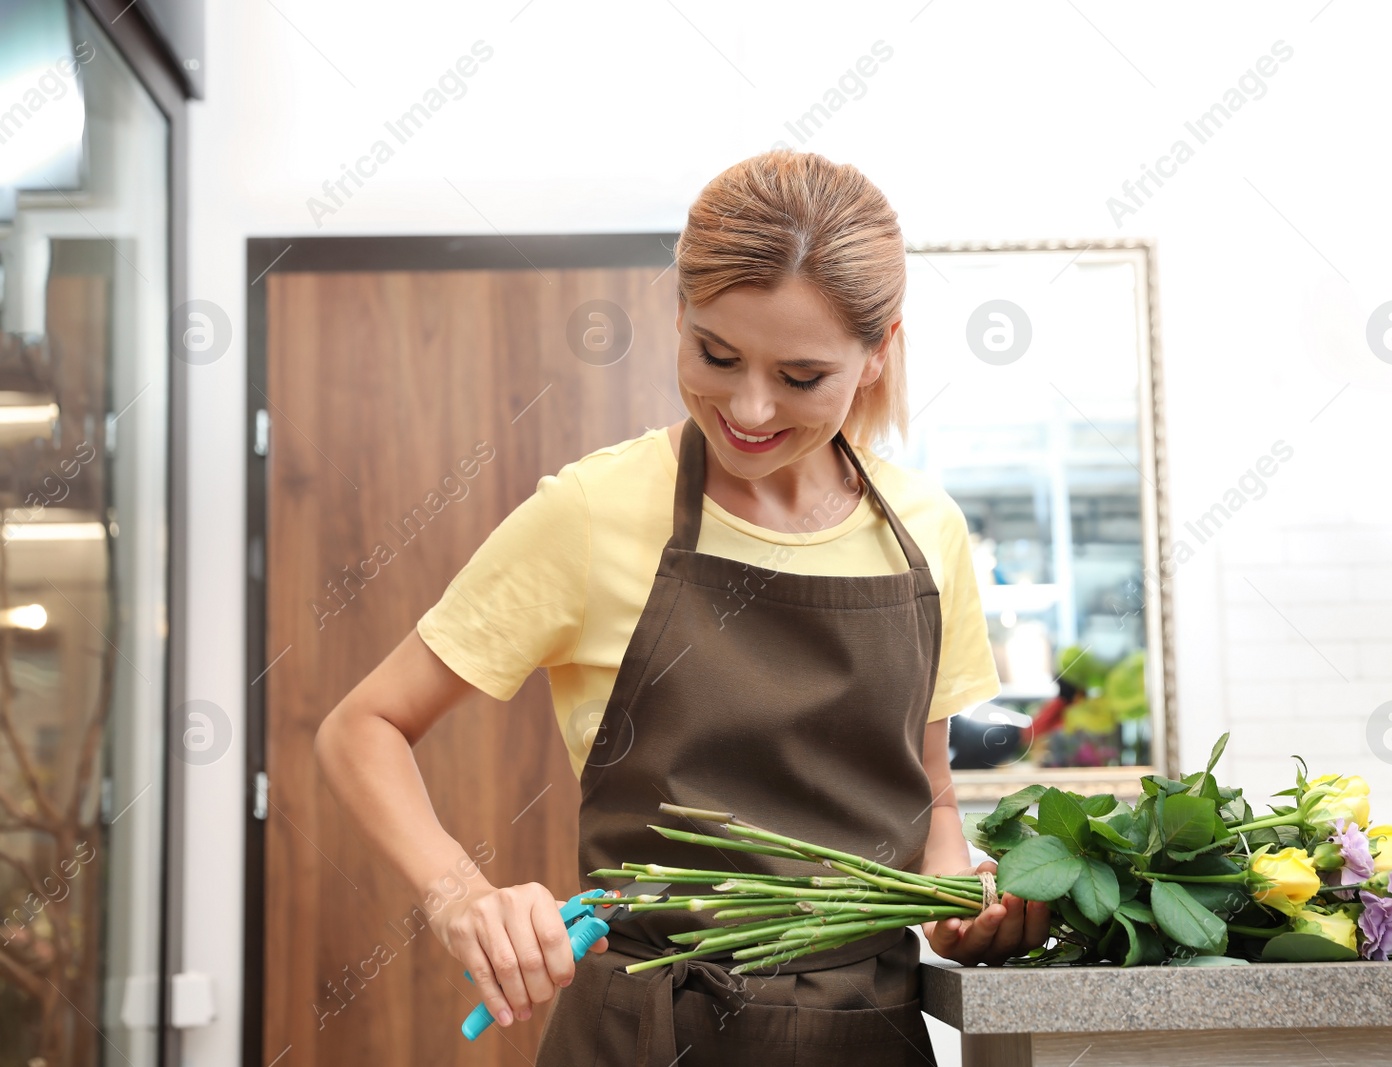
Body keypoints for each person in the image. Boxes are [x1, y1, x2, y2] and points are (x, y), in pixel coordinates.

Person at [314, 149, 1051, 1066]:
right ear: (679, 314)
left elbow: (930, 793)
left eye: (801, 375)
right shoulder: (591, 511)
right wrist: (462, 897)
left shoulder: (926, 530)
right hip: (643, 1032)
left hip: (863, 1034)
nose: (747, 407)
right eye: (716, 353)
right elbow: (363, 725)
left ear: (877, 353)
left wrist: (960, 908)